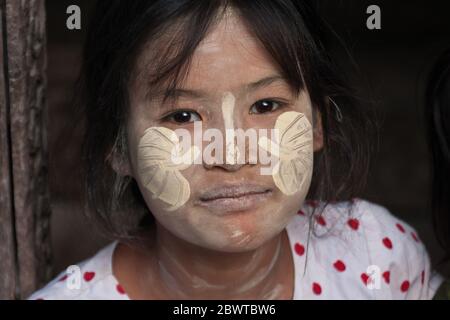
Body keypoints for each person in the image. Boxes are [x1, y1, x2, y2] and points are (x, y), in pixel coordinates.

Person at [29, 0, 443, 299]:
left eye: (266, 106)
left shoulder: (378, 257)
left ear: (318, 122)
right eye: (182, 116)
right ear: (117, 146)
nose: (231, 155)